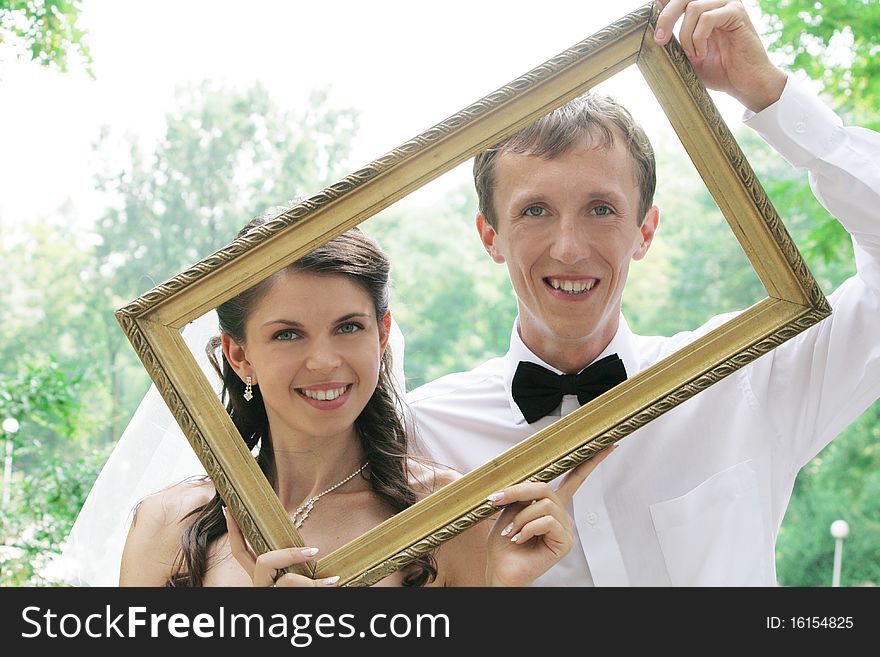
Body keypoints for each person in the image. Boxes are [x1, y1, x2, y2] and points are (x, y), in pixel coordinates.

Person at [406, 0, 880, 585]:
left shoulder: (746, 378)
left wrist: (771, 96)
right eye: (534, 211)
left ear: (645, 231)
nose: (569, 248)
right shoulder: (421, 435)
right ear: (490, 236)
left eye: (601, 209)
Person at [117, 218, 610, 587]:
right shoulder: (167, 523)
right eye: (288, 334)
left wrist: (500, 594)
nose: (324, 361)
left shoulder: (449, 514)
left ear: (382, 335)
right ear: (240, 355)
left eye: (348, 327)